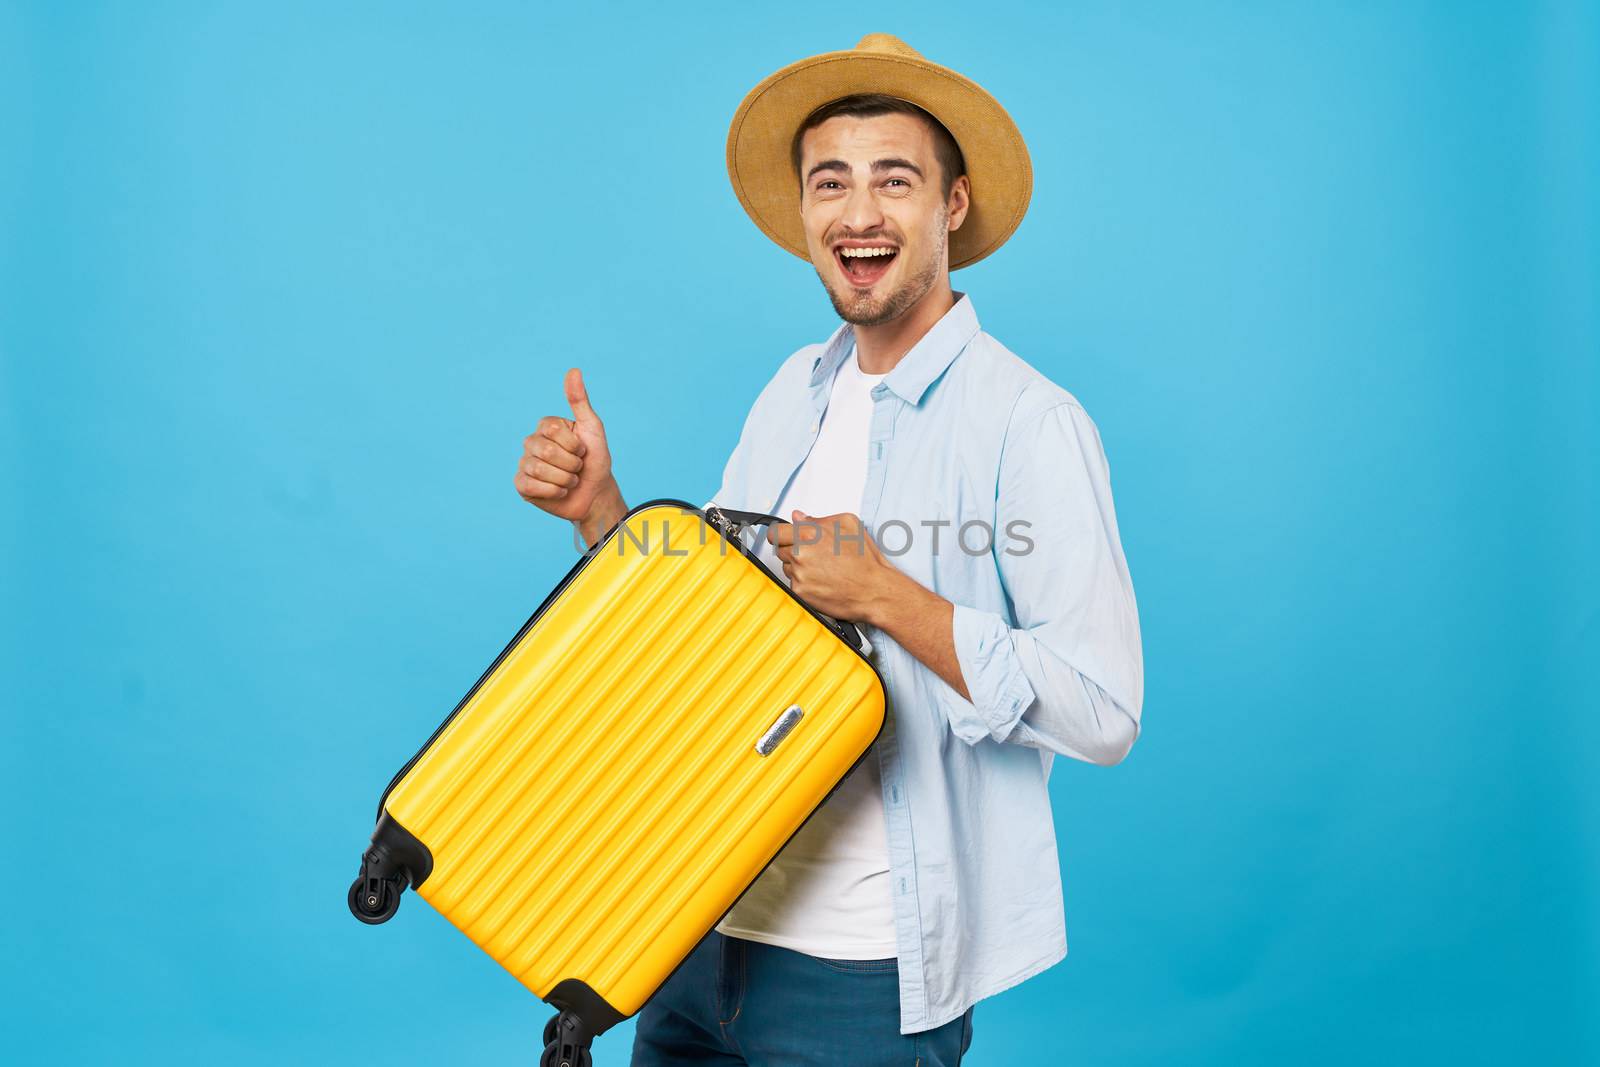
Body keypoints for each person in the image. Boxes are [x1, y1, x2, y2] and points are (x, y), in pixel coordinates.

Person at [514, 33, 1143, 1067]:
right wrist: (602, 512)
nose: (858, 213)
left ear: (952, 205)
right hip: (694, 924)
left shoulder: (1028, 422)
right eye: (829, 183)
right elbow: (703, 632)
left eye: (894, 180)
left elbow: (1104, 708)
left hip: (865, 973)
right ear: (805, 213)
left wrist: (894, 598)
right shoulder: (790, 392)